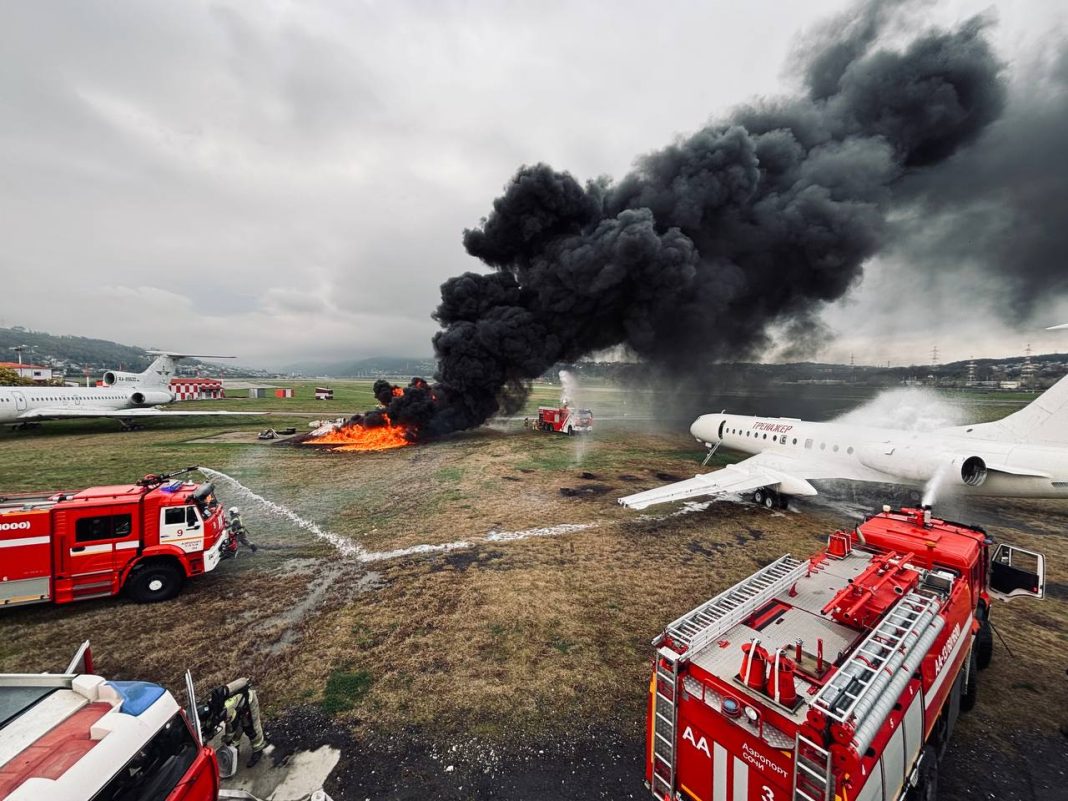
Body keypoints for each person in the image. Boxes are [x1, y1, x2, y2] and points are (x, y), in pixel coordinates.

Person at [210, 677, 268, 768]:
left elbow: (231, 726)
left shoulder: (226, 710)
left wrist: (226, 739)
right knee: (237, 730)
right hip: (237, 706)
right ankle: (235, 749)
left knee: (252, 728)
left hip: (249, 701)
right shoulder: (214, 706)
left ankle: (258, 749)